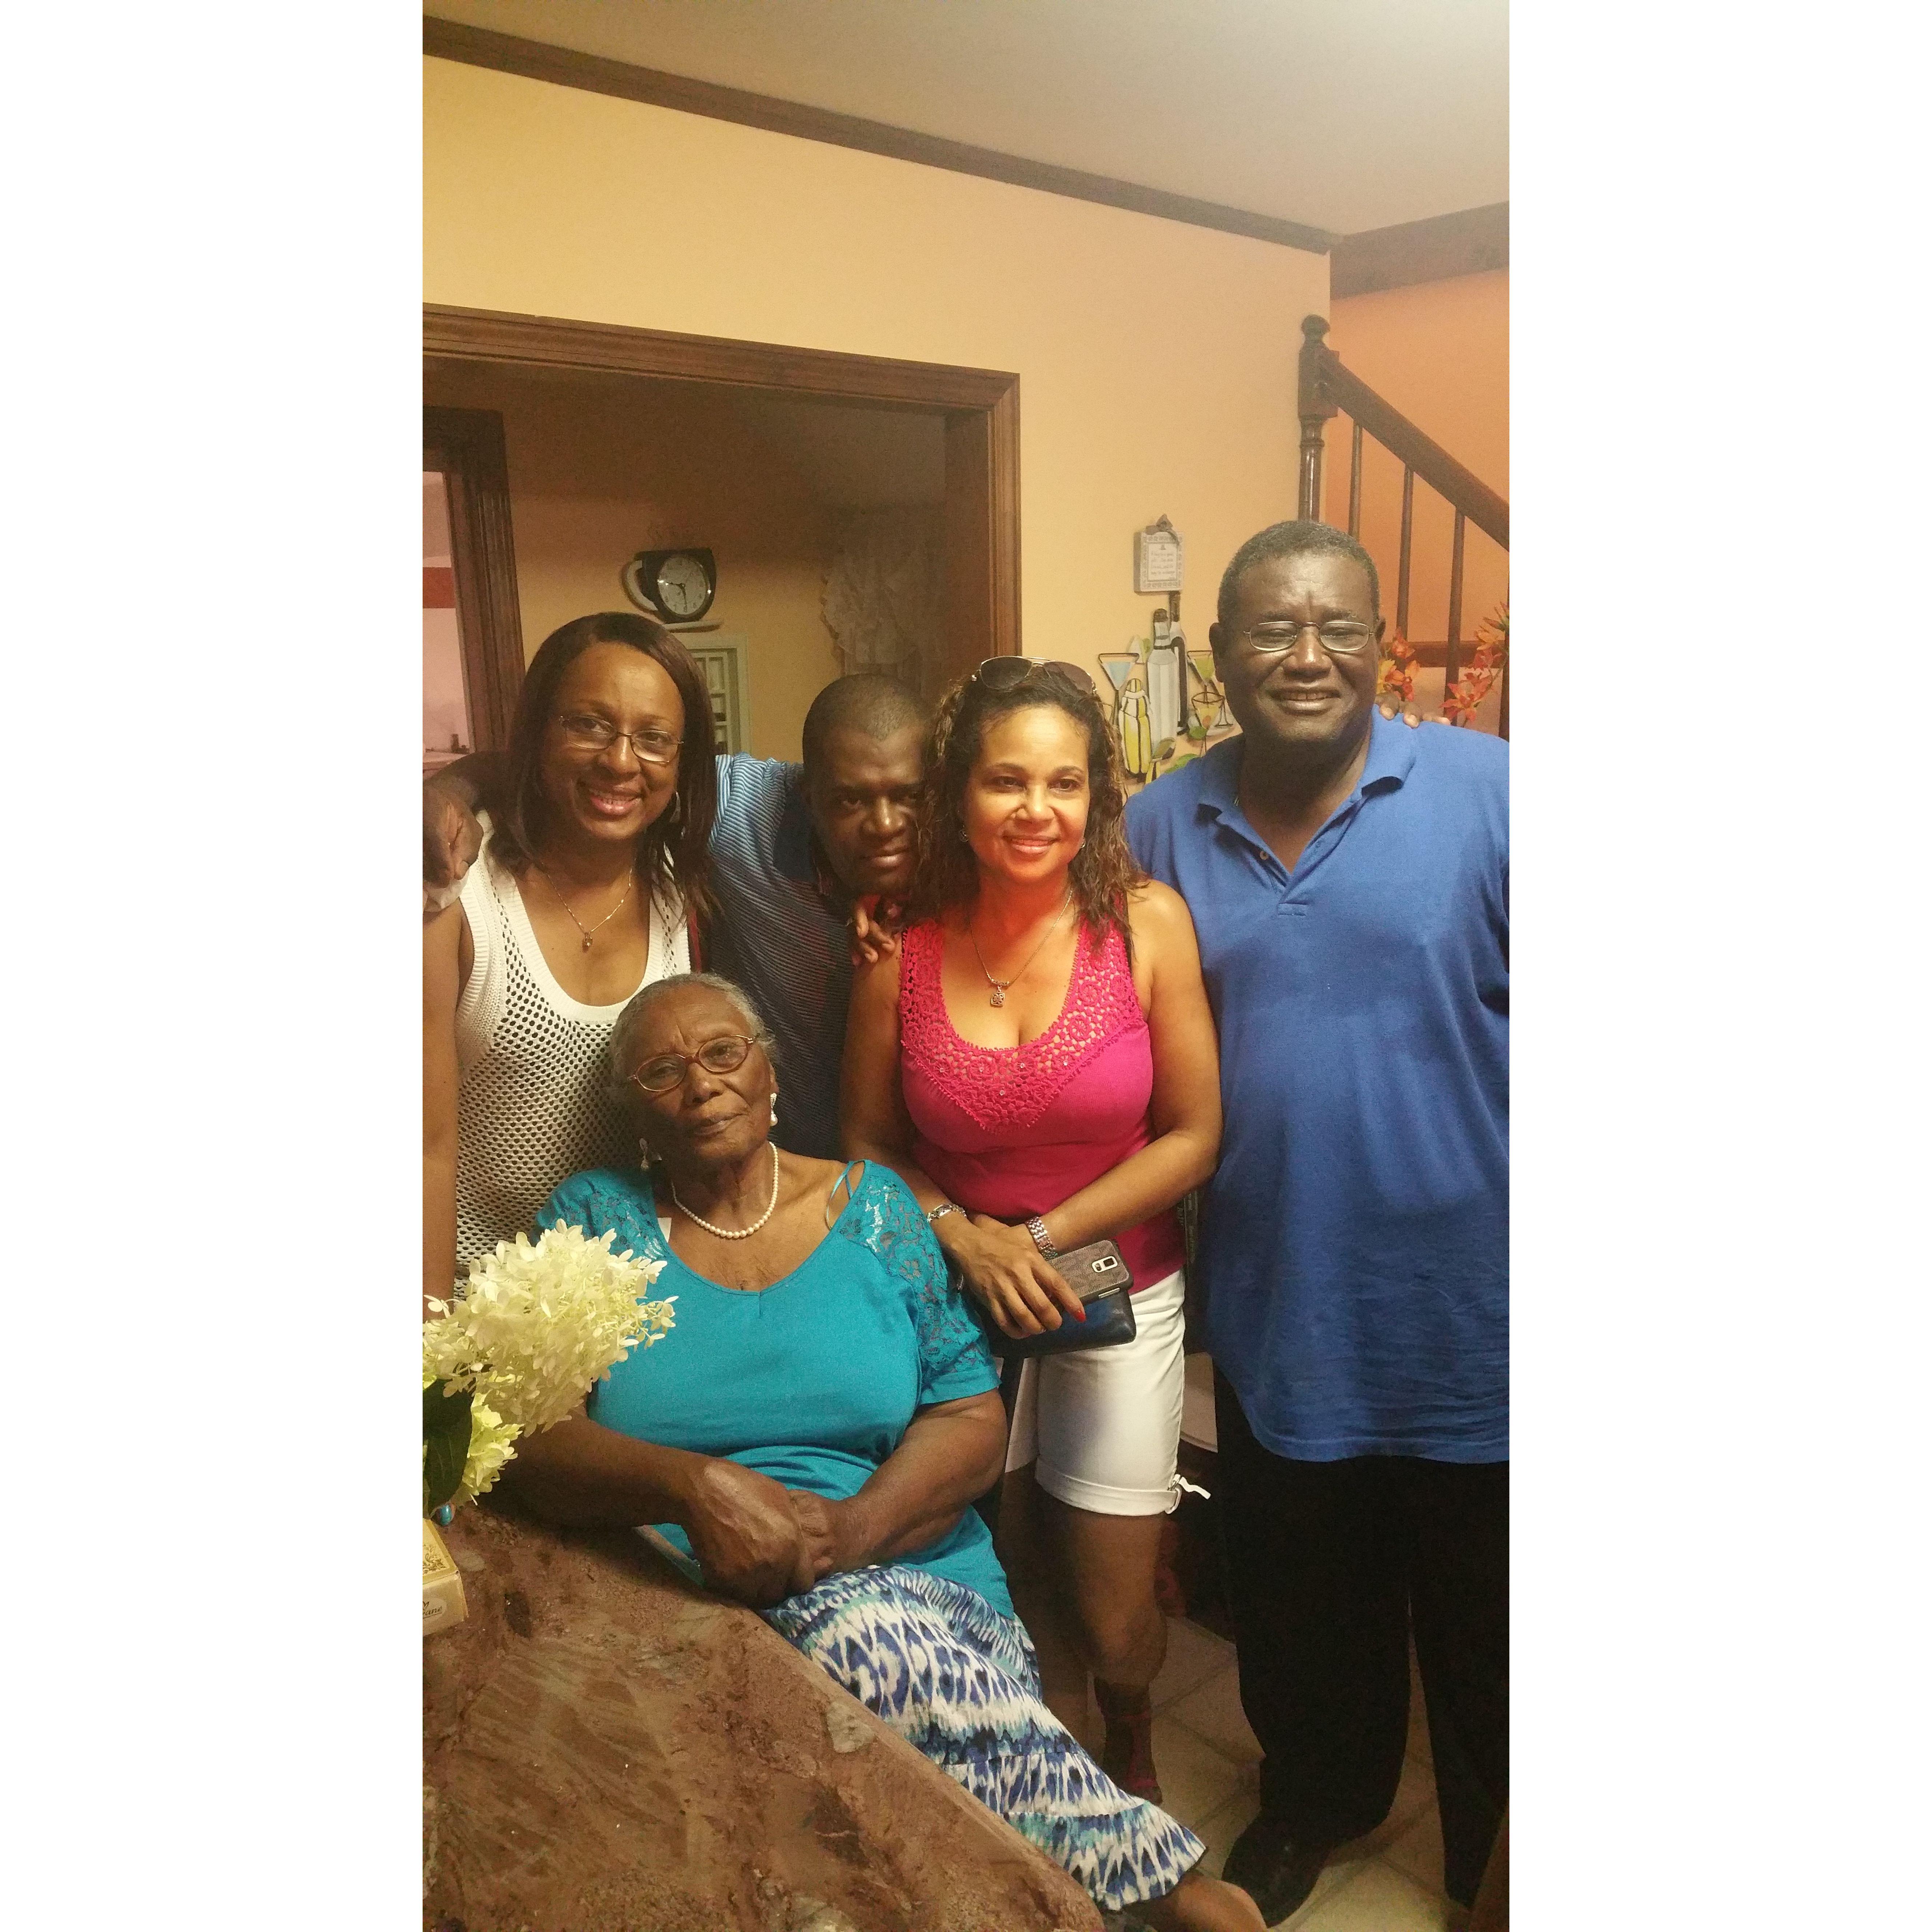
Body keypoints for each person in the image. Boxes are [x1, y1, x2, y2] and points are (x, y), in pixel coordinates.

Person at [502, 973, 1263, 1932]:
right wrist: (692, 1487)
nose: (700, 1084)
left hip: (918, 1585)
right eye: (662, 1071)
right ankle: (1162, 1886)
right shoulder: (595, 1222)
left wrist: (848, 1533)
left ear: (771, 1074)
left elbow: (970, 1421)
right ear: (634, 1110)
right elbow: (534, 1439)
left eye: (724, 1053)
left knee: (849, 1635)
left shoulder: (873, 1209)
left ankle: (1145, 1890)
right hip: (688, 1595)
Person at [1126, 520, 1508, 1922]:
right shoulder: (1158, 823)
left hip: (1480, 1305)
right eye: (1272, 629)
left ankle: (1498, 1855)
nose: (1306, 655)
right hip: (1281, 1298)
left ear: (1381, 646)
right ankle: (1315, 1802)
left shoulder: (1489, 790)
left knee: (1492, 1617)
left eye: (1338, 627)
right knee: (1304, 1601)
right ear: (1219, 653)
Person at [841, 659, 1222, 1811]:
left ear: (1096, 795)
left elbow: (1195, 1136)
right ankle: (1020, 1774)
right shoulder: (900, 947)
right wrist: (965, 1236)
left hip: (1119, 1287)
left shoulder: (1146, 925)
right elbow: (864, 1140)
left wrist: (1038, 1235)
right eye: (1007, 780)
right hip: (955, 1299)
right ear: (960, 791)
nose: (1035, 810)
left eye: (1064, 783)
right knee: (990, 1566)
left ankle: (1130, 1721)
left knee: (1113, 1612)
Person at [426, 672, 926, 1158]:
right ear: (807, 792)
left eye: (911, 796)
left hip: (923, 1174)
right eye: (850, 799)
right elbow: (594, 775)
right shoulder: (742, 811)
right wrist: (448, 796)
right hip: (761, 1166)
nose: (884, 825)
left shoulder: (962, 856)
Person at [422, 611, 715, 1308]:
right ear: (538, 733)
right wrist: (430, 1342)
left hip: (632, 1300)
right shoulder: (454, 892)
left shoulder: (684, 891)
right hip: (475, 1302)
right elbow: (420, 1146)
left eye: (654, 739)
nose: (621, 761)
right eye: (587, 724)